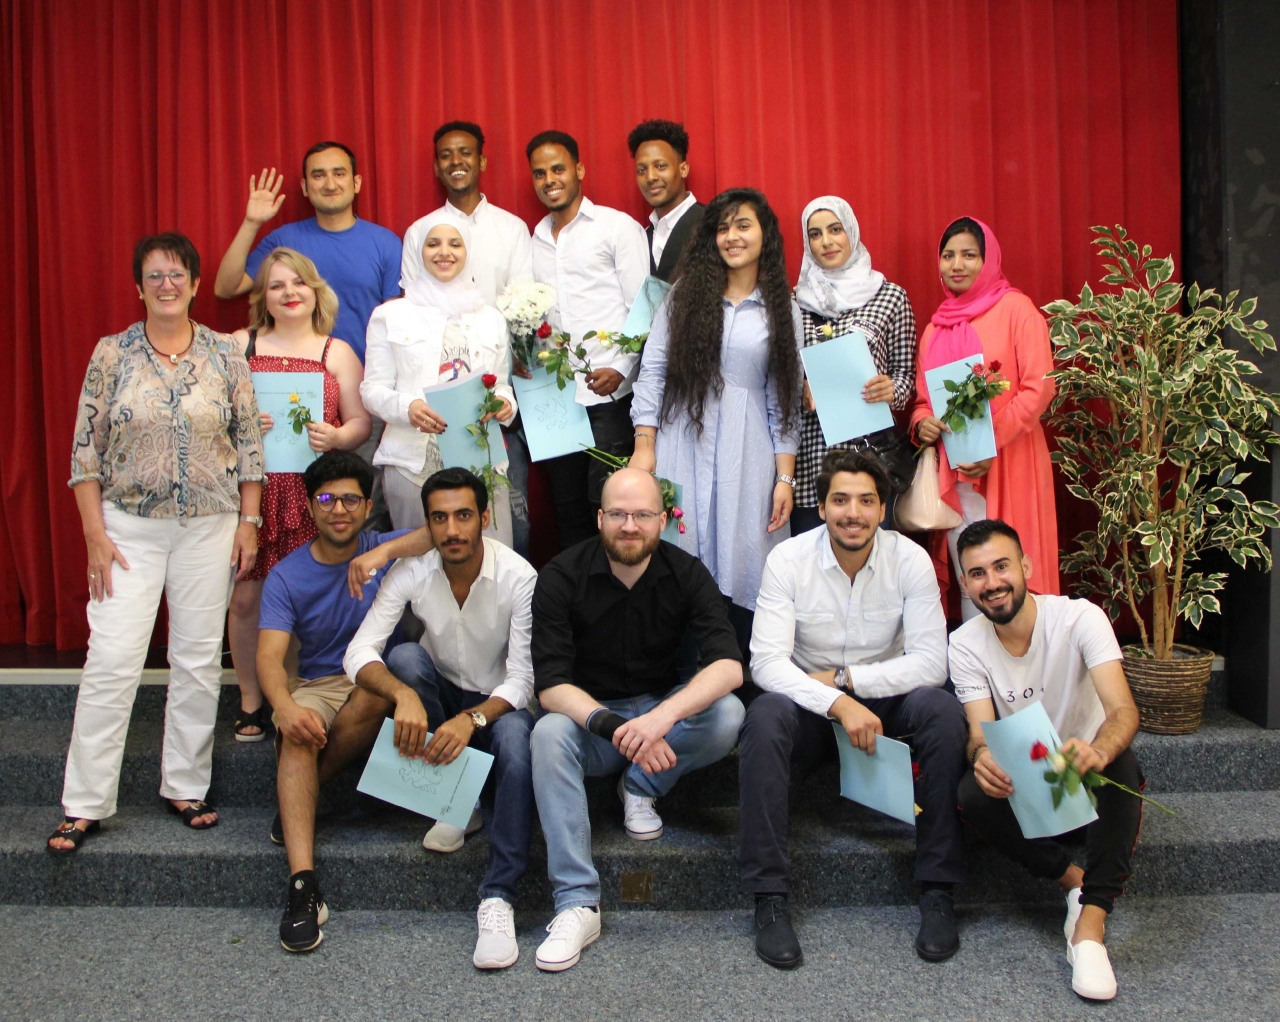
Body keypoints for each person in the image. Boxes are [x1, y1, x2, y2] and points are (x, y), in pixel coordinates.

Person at [50, 232, 263, 853]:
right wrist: (94, 534)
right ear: (138, 287)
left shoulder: (226, 353)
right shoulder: (111, 353)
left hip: (211, 525)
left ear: (195, 284)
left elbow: (249, 445)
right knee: (112, 659)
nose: (167, 285)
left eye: (177, 275)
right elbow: (84, 454)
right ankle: (84, 803)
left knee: (197, 659)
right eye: (155, 276)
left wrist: (249, 522)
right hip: (127, 530)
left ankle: (185, 785)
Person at [739, 449, 967, 969]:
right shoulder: (788, 560)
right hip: (810, 703)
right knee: (765, 716)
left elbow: (932, 663)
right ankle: (769, 898)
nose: (853, 513)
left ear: (883, 509)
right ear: (821, 508)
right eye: (840, 500)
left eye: (866, 501)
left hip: (884, 697)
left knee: (941, 710)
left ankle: (938, 890)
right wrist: (838, 702)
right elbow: (767, 664)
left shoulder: (909, 560)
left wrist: (850, 681)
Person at [528, 467, 745, 972]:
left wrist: (660, 719)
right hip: (592, 724)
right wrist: (617, 728)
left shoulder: (687, 572)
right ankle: (577, 902)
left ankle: (640, 786)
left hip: (659, 717)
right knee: (546, 733)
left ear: (662, 520)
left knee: (728, 713)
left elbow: (729, 667)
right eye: (619, 515)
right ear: (599, 518)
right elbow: (552, 686)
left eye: (643, 515)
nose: (630, 526)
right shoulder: (560, 575)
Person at [344, 468, 538, 971]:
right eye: (440, 518)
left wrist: (472, 719)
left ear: (484, 519)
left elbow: (522, 681)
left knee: (517, 744)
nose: (452, 530)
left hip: (498, 705)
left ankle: (499, 897)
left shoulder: (519, 576)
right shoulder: (412, 570)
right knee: (405, 660)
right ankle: (456, 799)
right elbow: (359, 652)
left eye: (463, 516)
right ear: (427, 524)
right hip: (442, 695)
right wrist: (402, 694)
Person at [949, 519, 1143, 1002]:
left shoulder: (1079, 619)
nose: (992, 583)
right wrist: (982, 756)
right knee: (972, 790)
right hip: (1031, 789)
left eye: (1001, 566)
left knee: (1121, 765)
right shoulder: (964, 643)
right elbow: (978, 732)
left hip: (1086, 771)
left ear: (1026, 566)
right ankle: (1072, 881)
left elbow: (1123, 711)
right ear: (965, 584)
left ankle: (1091, 925)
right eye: (977, 574)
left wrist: (1099, 749)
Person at [258, 451, 423, 953]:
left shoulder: (379, 547)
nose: (338, 510)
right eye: (326, 499)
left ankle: (298, 799)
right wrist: (284, 707)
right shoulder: (286, 575)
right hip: (322, 683)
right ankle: (303, 886)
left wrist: (379, 554)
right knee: (298, 730)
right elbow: (269, 657)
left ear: (368, 507)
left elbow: (439, 534)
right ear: (310, 506)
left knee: (378, 691)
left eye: (351, 500)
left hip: (374, 676)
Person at [631, 187, 803, 660]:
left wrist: (784, 478)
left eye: (743, 225)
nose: (732, 236)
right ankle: (678, 672)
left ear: (765, 235)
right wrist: (645, 445)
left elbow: (783, 399)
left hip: (748, 453)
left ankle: (737, 674)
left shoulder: (782, 308)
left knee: (743, 559)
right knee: (678, 554)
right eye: (723, 227)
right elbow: (653, 370)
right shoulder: (684, 296)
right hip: (681, 441)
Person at [226, 248, 371, 743]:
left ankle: (291, 696)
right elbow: (211, 418)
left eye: (298, 283)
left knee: (303, 598)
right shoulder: (239, 346)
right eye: (276, 285)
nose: (289, 293)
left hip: (313, 497)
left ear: (315, 291)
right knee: (247, 598)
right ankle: (250, 698)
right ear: (262, 297)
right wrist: (242, 424)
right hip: (254, 494)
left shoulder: (337, 352)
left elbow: (361, 422)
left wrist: (338, 435)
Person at [909, 216, 1058, 620]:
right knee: (972, 575)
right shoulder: (935, 329)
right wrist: (922, 423)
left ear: (988, 259)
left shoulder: (1016, 310)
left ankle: (1025, 657)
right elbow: (923, 400)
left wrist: (991, 443)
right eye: (948, 255)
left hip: (1011, 464)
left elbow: (1039, 387)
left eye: (969, 255)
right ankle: (977, 660)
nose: (956, 265)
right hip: (957, 475)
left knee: (1015, 573)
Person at [401, 121, 535, 555]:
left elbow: (523, 302)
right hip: (433, 399)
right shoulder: (421, 231)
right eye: (445, 155)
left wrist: (514, 369)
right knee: (439, 520)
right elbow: (412, 307)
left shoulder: (511, 228)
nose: (455, 162)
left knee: (507, 514)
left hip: (497, 389)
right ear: (436, 166)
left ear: (482, 161)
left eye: (465, 153)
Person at [362, 211, 518, 544]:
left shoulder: (491, 318)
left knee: (492, 555)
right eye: (433, 244)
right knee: (420, 561)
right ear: (418, 251)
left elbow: (502, 384)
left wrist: (505, 404)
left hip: (482, 459)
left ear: (468, 251)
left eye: (455, 244)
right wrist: (407, 408)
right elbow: (372, 389)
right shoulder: (390, 315)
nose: (444, 252)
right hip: (412, 462)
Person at [527, 130, 650, 549]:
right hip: (555, 397)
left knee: (613, 509)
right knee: (567, 511)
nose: (549, 180)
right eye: (539, 173)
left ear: (579, 170)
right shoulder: (534, 240)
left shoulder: (616, 227)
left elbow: (645, 307)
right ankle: (579, 589)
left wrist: (621, 367)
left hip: (610, 396)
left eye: (558, 169)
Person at [792, 196, 917, 533]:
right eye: (815, 234)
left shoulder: (890, 297)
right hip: (810, 460)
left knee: (870, 556)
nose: (826, 241)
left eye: (835, 230)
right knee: (809, 558)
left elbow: (906, 377)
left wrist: (891, 389)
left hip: (868, 456)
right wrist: (798, 388)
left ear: (851, 231)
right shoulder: (794, 303)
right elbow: (776, 377)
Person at [213, 142, 402, 363]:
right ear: (305, 186)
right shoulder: (283, 240)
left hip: (365, 374)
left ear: (356, 182)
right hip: (294, 376)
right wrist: (251, 222)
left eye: (339, 174)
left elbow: (394, 322)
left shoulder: (385, 243)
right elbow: (226, 288)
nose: (330, 184)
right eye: (318, 176)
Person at [626, 119, 703, 282]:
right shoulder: (640, 237)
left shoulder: (711, 223)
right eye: (642, 170)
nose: (650, 177)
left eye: (660, 166)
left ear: (683, 169)